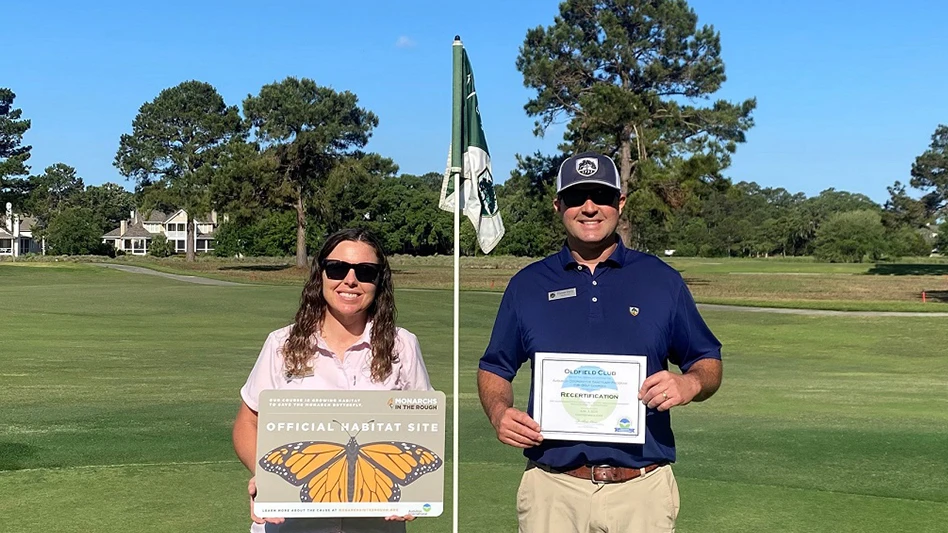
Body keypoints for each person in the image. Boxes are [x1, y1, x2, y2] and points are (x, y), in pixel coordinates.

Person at [477, 152, 723, 533]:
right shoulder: (527, 285)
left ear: (619, 203)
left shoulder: (661, 280)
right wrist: (499, 413)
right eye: (577, 197)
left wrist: (688, 383)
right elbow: (495, 367)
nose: (589, 208)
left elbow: (707, 360)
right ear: (558, 205)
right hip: (552, 490)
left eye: (601, 196)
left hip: (642, 489)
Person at [233, 228, 432, 533]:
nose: (350, 280)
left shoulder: (402, 346)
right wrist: (265, 475)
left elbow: (423, 430)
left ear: (379, 281)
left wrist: (416, 496)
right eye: (338, 268)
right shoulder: (281, 344)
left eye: (365, 272)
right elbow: (248, 423)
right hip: (292, 525)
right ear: (321, 274)